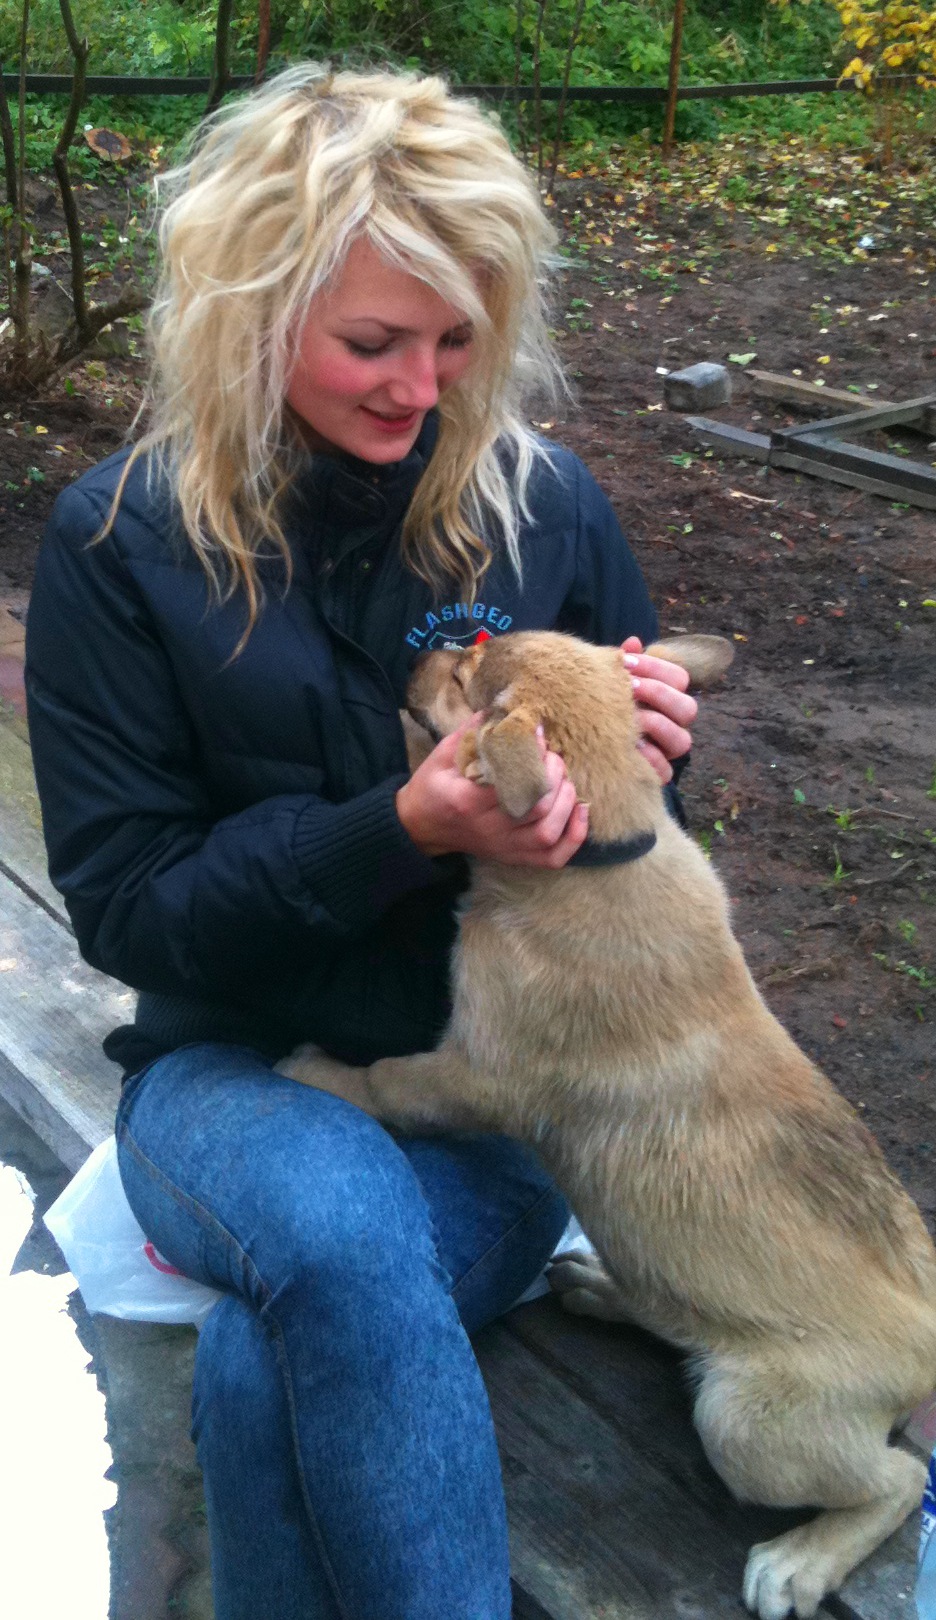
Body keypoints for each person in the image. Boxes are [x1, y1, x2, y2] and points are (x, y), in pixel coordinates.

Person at [25, 64, 698, 1620]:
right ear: (248, 318)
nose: (423, 387)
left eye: (458, 340)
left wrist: (637, 786)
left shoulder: (544, 509)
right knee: (329, 1222)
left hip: (498, 1097)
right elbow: (128, 910)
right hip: (230, 1080)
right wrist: (395, 830)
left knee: (276, 1344)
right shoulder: (120, 544)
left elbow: (649, 859)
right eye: (374, 342)